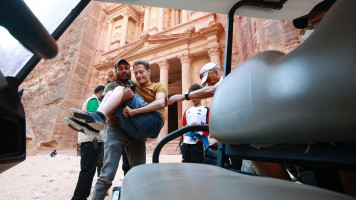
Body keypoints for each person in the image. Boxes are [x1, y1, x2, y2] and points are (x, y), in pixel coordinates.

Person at [66, 59, 167, 200]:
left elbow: (159, 100)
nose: (125, 70)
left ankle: (96, 120)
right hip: (116, 129)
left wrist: (133, 108)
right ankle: (96, 119)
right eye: (120, 68)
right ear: (117, 71)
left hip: (134, 130)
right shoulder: (110, 87)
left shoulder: (134, 85)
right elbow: (111, 108)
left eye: (127, 68)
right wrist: (116, 85)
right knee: (107, 174)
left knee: (138, 171)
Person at [64, 85, 105, 200]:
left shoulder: (93, 100)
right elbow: (93, 118)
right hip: (91, 140)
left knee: (89, 171)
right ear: (101, 92)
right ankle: (78, 198)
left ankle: (81, 196)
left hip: (91, 140)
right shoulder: (94, 100)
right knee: (87, 171)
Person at [181, 83, 210, 163]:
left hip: (199, 142)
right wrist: (186, 127)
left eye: (196, 94)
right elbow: (183, 126)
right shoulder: (187, 111)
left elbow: (211, 126)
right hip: (187, 141)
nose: (194, 98)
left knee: (198, 165)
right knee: (186, 164)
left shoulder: (206, 110)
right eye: (192, 95)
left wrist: (201, 125)